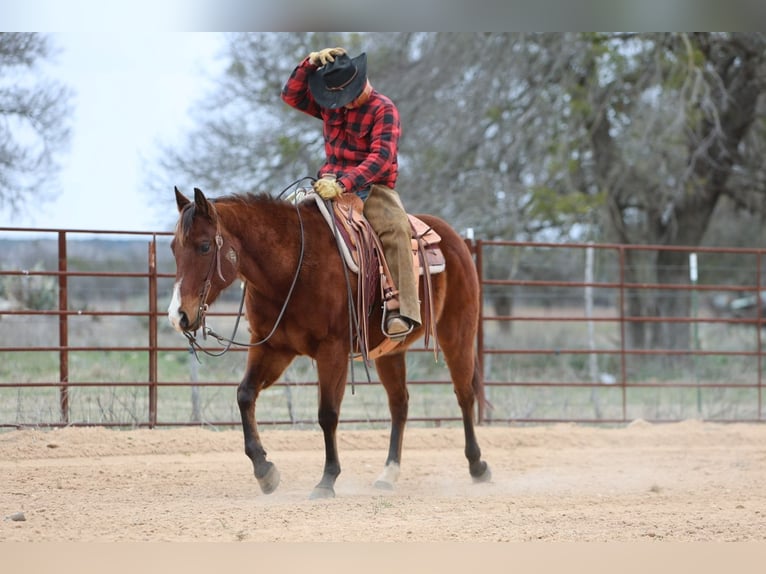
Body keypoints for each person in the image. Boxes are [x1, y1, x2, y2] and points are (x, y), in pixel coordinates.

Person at [281, 46, 421, 339]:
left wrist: (344, 183)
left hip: (372, 188)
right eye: (334, 99)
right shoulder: (330, 103)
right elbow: (291, 95)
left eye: (343, 99)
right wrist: (308, 64)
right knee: (283, 222)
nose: (338, 105)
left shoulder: (384, 109)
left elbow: (381, 158)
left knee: (395, 229)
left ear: (359, 85)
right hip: (326, 185)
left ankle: (401, 309)